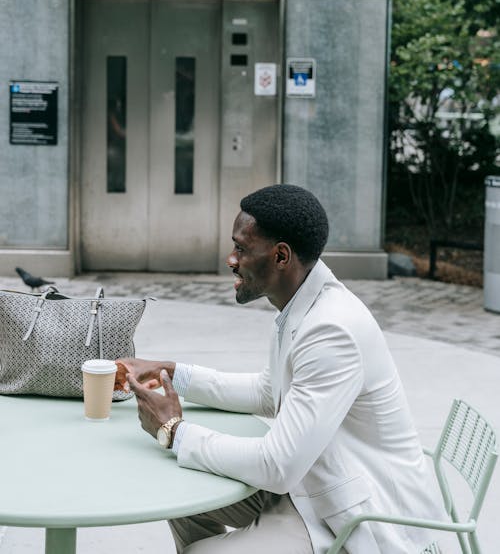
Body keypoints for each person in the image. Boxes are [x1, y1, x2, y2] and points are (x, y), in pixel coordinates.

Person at [115, 184, 445, 554]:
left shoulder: (331, 331)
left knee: (191, 500)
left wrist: (174, 432)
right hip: (310, 489)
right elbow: (268, 392)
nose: (231, 259)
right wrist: (171, 373)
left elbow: (277, 466)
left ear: (281, 256)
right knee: (181, 490)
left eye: (241, 248)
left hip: (351, 515)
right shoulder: (301, 304)